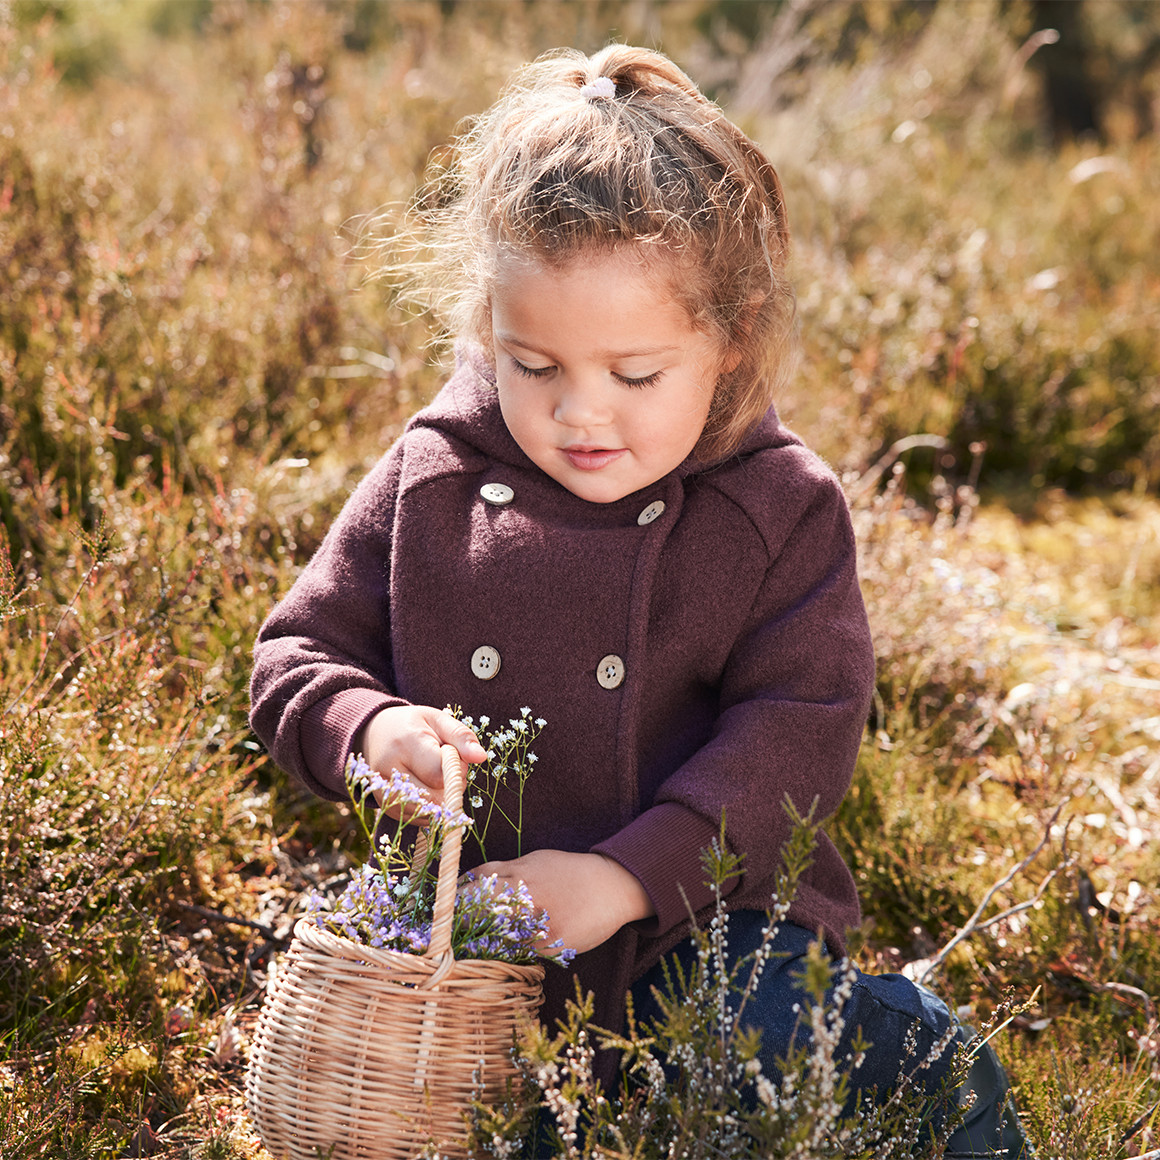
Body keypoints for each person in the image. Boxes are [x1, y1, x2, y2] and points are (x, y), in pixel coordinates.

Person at [249, 44, 1030, 1157]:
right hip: (488, 954)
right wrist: (374, 730)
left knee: (747, 1049)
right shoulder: (434, 474)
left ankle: (911, 1047)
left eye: (634, 374)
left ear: (732, 337)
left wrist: (622, 876)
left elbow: (797, 737)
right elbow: (294, 653)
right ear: (483, 327)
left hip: (712, 925)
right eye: (532, 364)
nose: (580, 414)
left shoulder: (772, 505)